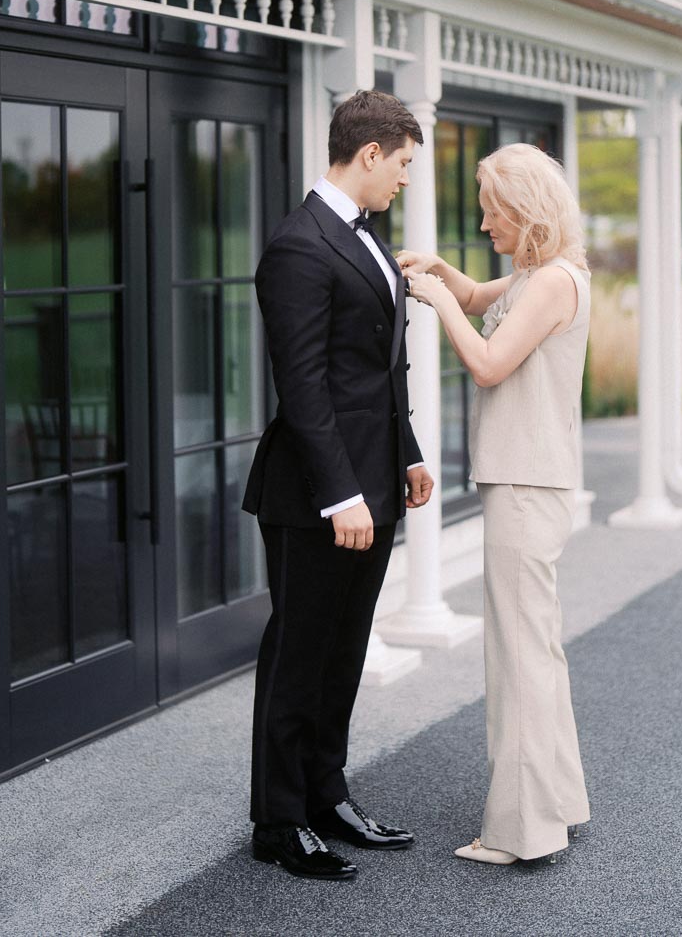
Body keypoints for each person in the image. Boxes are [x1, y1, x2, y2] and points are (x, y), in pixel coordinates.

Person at [243, 89, 435, 882]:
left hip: (378, 484)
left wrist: (411, 453)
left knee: (345, 652)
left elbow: (379, 368)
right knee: (299, 654)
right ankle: (280, 821)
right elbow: (305, 386)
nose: (404, 182)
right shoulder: (297, 246)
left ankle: (328, 796)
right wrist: (341, 494)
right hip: (316, 496)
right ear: (369, 154)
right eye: (403, 166)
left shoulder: (367, 240)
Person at [398, 141, 591, 866]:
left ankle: (519, 833)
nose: (484, 227)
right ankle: (558, 804)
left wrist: (437, 300)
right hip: (529, 482)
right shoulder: (538, 274)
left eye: (491, 214)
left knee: (518, 658)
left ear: (524, 211)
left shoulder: (549, 283)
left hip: (524, 486)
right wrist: (447, 276)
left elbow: (487, 363)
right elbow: (487, 299)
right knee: (536, 650)